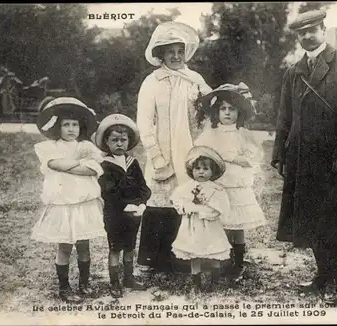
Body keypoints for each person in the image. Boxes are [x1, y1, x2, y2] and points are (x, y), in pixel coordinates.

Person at [271, 10, 337, 301]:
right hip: (303, 159)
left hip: (333, 160)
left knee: (334, 220)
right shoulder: (294, 71)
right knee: (312, 218)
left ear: (323, 29)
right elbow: (284, 116)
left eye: (312, 30)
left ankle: (333, 278)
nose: (307, 36)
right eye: (301, 33)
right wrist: (280, 152)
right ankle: (322, 275)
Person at [136, 21, 212, 271]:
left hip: (190, 149)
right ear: (161, 54)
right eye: (171, 52)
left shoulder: (195, 80)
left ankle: (186, 255)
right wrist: (156, 155)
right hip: (164, 150)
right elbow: (145, 123)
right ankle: (156, 259)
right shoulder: (152, 82)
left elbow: (210, 108)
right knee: (161, 201)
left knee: (190, 198)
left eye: (180, 51)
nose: (176, 56)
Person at [31, 97, 105, 303]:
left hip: (84, 203)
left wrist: (73, 164)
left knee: (84, 244)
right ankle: (64, 287)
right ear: (58, 126)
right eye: (66, 125)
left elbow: (92, 168)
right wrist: (77, 164)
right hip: (63, 203)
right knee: (64, 245)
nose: (71, 129)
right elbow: (55, 164)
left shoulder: (86, 146)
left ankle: (84, 283)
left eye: (74, 125)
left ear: (80, 127)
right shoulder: (50, 147)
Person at [195, 83, 266, 280]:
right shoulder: (210, 134)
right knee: (221, 222)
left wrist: (236, 158)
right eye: (223, 109)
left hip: (237, 184)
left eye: (231, 109)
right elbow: (199, 154)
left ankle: (239, 262)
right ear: (216, 112)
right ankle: (223, 258)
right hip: (218, 185)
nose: (227, 113)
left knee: (237, 224)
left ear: (239, 112)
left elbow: (254, 156)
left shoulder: (243, 134)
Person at [95, 114, 152, 299]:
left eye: (123, 140)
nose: (119, 144)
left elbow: (143, 187)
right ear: (106, 142)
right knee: (115, 247)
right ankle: (114, 282)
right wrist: (125, 206)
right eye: (115, 140)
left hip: (134, 213)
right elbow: (108, 193)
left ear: (129, 142)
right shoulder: (105, 165)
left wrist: (142, 202)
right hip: (115, 214)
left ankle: (128, 277)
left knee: (130, 246)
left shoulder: (133, 162)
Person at [169, 146, 232, 291]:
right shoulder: (186, 187)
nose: (201, 172)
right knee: (194, 251)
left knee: (214, 251)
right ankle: (195, 280)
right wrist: (186, 207)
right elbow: (178, 201)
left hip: (210, 227)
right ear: (192, 170)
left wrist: (203, 207)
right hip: (192, 225)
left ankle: (214, 280)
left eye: (205, 169)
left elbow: (218, 209)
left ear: (213, 171)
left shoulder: (217, 189)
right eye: (197, 168)